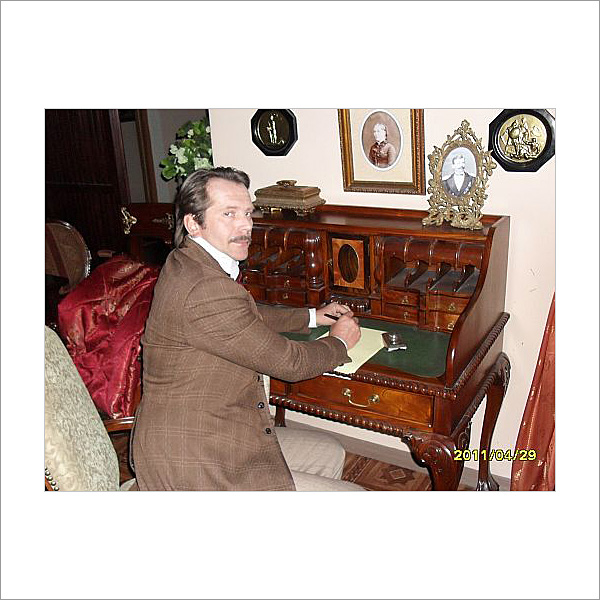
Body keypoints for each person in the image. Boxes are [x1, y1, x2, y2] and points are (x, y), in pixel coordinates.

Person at [131, 166, 364, 491]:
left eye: (247, 213)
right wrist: (339, 342)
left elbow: (242, 315)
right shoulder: (204, 288)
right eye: (229, 214)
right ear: (193, 223)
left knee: (330, 453)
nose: (245, 226)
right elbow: (292, 363)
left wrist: (311, 317)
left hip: (218, 426)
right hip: (193, 459)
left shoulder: (186, 260)